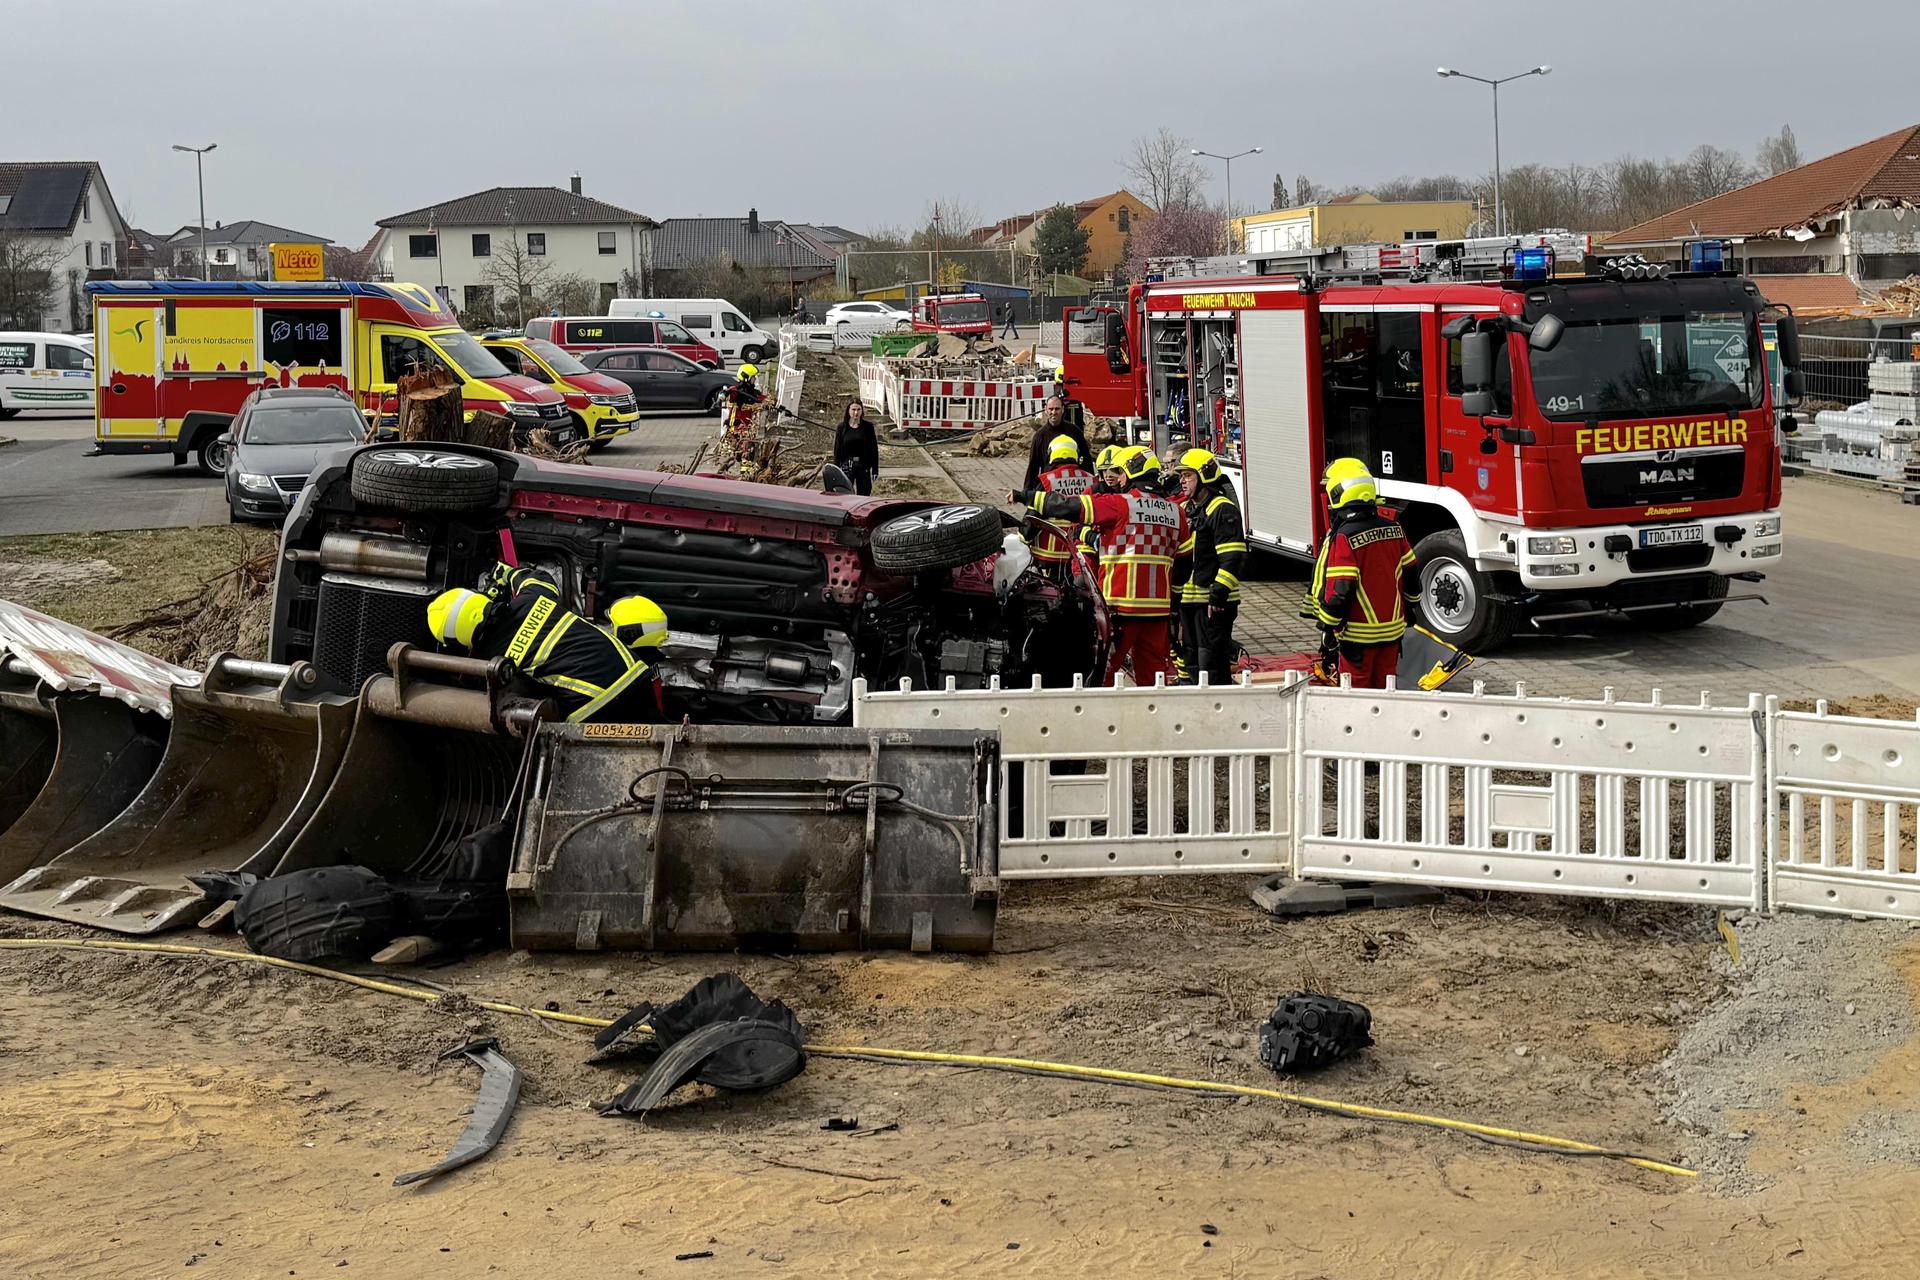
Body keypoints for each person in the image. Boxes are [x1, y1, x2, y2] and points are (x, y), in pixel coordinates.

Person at [1008, 445, 1188, 688]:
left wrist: (1026, 497)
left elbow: (1067, 507)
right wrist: (1173, 601)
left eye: (1120, 472)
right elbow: (1185, 563)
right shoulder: (1177, 513)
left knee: (1103, 676)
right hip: (1157, 613)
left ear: (1130, 473)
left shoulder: (1120, 504)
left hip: (1119, 610)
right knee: (1154, 680)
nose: (1118, 478)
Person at [428, 566, 670, 723]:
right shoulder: (532, 597)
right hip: (634, 675)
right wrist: (507, 574)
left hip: (594, 711)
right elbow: (540, 577)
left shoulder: (490, 660)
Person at [1310, 457, 1422, 689]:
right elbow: (1412, 573)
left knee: (1356, 695)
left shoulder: (1345, 536)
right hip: (1392, 633)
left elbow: (1342, 587)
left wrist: (1328, 626)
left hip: (1358, 637)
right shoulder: (1394, 528)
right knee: (1386, 689)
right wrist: (1410, 608)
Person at [1174, 449, 1247, 686]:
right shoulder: (1186, 509)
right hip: (1190, 600)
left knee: (1211, 662)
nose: (1182, 481)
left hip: (1213, 602)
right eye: (1181, 476)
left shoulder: (1222, 509)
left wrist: (1217, 597)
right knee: (1192, 658)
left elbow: (1233, 558)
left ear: (1204, 476)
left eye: (1188, 475)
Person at [1022, 434, 1094, 573]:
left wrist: (1023, 538)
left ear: (1051, 455)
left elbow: (1033, 516)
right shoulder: (1092, 480)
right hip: (1081, 554)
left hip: (1048, 556)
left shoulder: (1046, 481)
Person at [1022, 394, 1091, 488]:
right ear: (1045, 409)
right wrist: (1027, 493)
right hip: (1050, 487)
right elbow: (1033, 467)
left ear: (1063, 409)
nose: (1054, 412)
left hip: (1073, 484)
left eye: (1057, 409)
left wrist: (1091, 485)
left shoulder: (1075, 432)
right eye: (1051, 409)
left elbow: (1086, 461)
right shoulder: (1040, 436)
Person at [832, 399, 880, 496]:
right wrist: (836, 469)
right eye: (853, 409)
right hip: (847, 466)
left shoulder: (868, 427)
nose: (856, 412)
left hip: (863, 466)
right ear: (848, 411)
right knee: (845, 495)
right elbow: (837, 450)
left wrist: (875, 469)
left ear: (862, 411)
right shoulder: (842, 428)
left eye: (858, 409)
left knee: (864, 495)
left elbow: (874, 449)